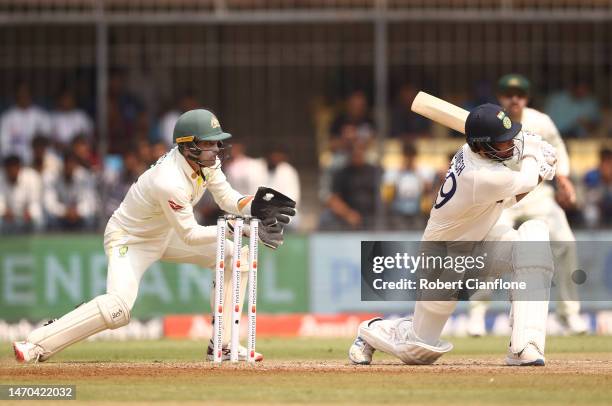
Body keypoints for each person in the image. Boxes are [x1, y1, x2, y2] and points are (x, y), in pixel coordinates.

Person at [13, 109, 296, 363]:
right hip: (131, 239)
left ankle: (222, 346)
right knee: (118, 309)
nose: (215, 149)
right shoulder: (169, 181)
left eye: (216, 142)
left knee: (234, 254)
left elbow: (227, 198)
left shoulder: (206, 164)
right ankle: (36, 343)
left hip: (165, 232)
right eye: (208, 143)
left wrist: (251, 206)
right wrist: (240, 227)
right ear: (188, 146)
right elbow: (189, 234)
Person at [349, 103, 557, 366]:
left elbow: (510, 194)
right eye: (502, 142)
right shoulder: (479, 176)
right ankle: (370, 331)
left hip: (480, 243)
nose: (510, 145)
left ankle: (525, 346)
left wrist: (535, 161)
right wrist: (537, 157)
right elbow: (524, 180)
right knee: (419, 350)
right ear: (482, 147)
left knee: (534, 238)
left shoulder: (476, 154)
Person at [467, 74, 586, 336]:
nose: (514, 99)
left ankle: (569, 315)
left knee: (566, 242)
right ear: (500, 97)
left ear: (527, 97)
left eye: (519, 94)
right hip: (502, 194)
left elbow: (556, 148)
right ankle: (477, 314)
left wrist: (563, 179)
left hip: (536, 193)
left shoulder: (540, 121)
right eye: (509, 94)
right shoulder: (491, 121)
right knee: (490, 245)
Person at [319, 143, 382, 230]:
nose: (357, 154)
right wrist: (348, 214)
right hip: (347, 218)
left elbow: (383, 196)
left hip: (374, 217)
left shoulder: (374, 172)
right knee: (325, 217)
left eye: (360, 151)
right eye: (354, 152)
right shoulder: (342, 173)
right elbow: (333, 200)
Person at [44, 152, 98, 231]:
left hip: (79, 217)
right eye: (67, 163)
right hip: (60, 217)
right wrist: (65, 211)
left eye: (72, 163)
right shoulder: (53, 177)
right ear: (63, 164)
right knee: (50, 219)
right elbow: (49, 204)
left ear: (76, 165)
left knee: (90, 219)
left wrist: (77, 211)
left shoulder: (84, 176)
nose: (69, 166)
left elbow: (89, 203)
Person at [0, 82, 51, 163]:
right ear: (15, 95)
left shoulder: (41, 116)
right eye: (20, 93)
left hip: (36, 162)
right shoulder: (7, 118)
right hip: (13, 163)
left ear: (31, 94)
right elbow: (4, 144)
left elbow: (45, 141)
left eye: (26, 93)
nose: (23, 96)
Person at [0, 155, 44, 233]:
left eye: (14, 167)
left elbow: (35, 202)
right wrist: (4, 211)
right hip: (7, 218)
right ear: (5, 169)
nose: (12, 171)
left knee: (39, 221)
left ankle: (35, 244)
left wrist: (30, 212)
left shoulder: (31, 177)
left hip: (26, 216)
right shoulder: (1, 178)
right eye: (9, 168)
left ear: (19, 167)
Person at [583, 148, 612, 228]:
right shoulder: (592, 174)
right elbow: (588, 198)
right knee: (591, 212)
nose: (607, 165)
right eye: (605, 161)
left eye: (609, 161)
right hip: (597, 207)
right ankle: (593, 236)